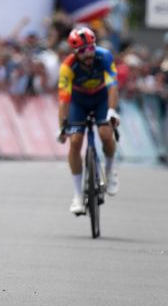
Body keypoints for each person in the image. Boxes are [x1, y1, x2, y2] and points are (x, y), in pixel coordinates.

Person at [56, 26, 120, 215]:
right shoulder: (68, 66)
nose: (88, 53)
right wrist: (62, 126)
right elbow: (63, 99)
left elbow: (113, 86)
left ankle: (109, 169)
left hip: (101, 99)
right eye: (83, 51)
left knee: (105, 133)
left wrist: (111, 111)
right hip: (79, 102)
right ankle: (77, 195)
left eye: (91, 47)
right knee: (75, 141)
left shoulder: (105, 56)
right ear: (75, 52)